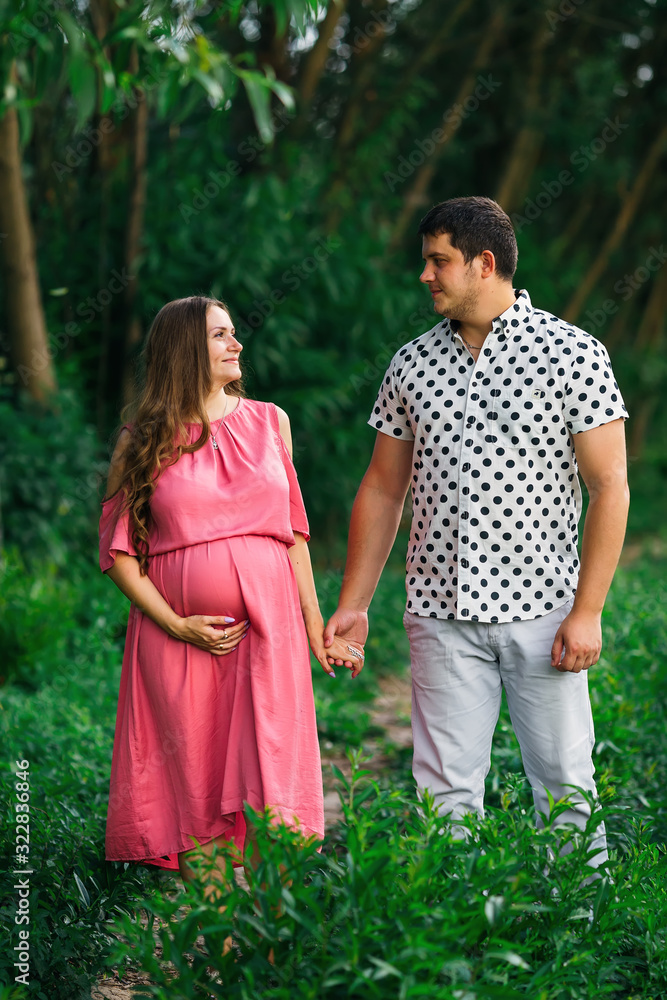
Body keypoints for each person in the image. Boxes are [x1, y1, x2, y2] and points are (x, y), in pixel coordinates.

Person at [324, 196, 629, 864]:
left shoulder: (573, 354)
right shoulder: (410, 364)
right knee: (442, 792)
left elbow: (608, 486)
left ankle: (573, 940)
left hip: (543, 615)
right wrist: (352, 605)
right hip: (439, 617)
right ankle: (448, 938)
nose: (424, 275)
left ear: (482, 263)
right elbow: (381, 488)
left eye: (438, 261)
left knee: (564, 786)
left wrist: (588, 612)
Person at [99, 295, 351, 893]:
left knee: (271, 786)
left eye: (233, 333)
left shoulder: (271, 421)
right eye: (220, 335)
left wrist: (316, 625)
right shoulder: (140, 440)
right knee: (197, 784)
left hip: (269, 634)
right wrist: (176, 623)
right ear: (185, 349)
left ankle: (262, 947)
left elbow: (293, 535)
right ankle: (220, 946)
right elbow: (117, 554)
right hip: (179, 640)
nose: (237, 344)